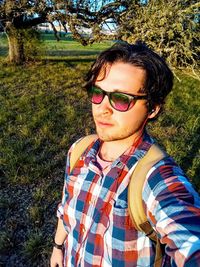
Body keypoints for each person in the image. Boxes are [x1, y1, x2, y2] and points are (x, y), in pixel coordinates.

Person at [50, 41, 200, 267]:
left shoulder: (155, 178)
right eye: (97, 92)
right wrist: (58, 247)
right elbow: (67, 209)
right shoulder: (79, 150)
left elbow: (188, 238)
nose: (102, 108)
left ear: (152, 108)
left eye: (121, 99)